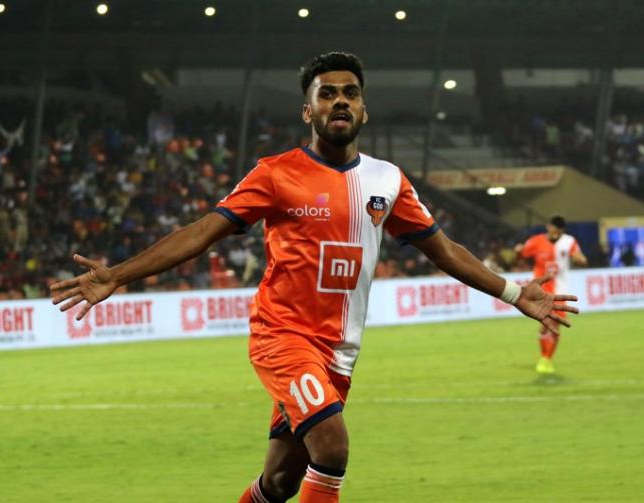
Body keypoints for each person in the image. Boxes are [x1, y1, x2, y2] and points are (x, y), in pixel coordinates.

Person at [51, 52, 579, 503]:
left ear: (364, 109)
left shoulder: (387, 181)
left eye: (350, 93)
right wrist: (117, 274)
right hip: (282, 337)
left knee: (280, 482)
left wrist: (513, 292)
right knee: (332, 447)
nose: (340, 101)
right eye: (327, 94)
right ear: (308, 110)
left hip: (339, 352)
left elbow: (443, 251)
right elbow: (202, 232)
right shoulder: (275, 174)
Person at [515, 215, 587, 375]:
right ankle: (545, 358)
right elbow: (521, 255)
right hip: (540, 291)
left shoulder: (569, 241)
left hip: (559, 292)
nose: (555, 232)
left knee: (554, 326)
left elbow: (579, 256)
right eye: (554, 228)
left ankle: (546, 359)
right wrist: (518, 251)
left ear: (562, 230)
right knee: (544, 326)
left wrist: (580, 259)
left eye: (559, 230)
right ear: (548, 227)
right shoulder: (536, 241)